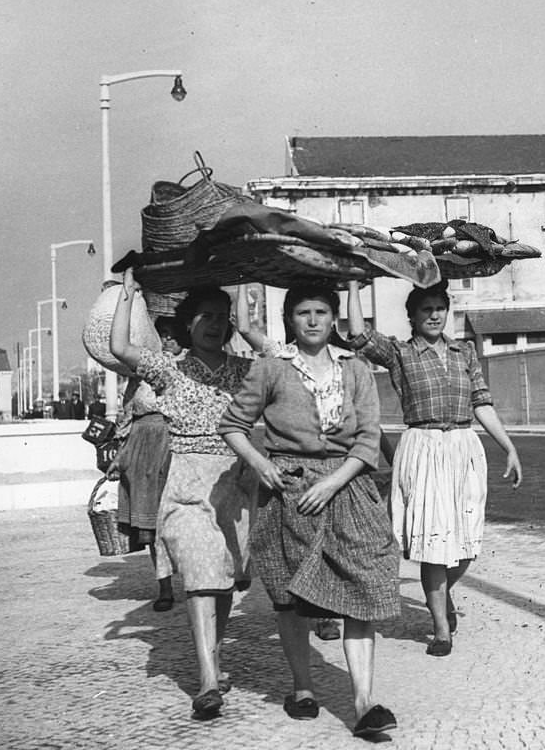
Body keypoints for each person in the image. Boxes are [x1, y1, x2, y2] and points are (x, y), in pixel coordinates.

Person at [219, 284, 399, 740]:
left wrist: (335, 481)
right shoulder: (271, 369)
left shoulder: (355, 368)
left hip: (348, 487)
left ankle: (363, 702)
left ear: (333, 317)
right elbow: (234, 425)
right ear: (290, 320)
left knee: (364, 584)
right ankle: (303, 688)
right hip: (291, 493)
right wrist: (261, 465)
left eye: (321, 311)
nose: (314, 320)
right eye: (303, 313)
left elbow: (368, 436)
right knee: (291, 598)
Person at [346, 279, 522, 658]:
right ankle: (441, 628)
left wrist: (508, 446)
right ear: (411, 316)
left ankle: (439, 597)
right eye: (425, 309)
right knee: (433, 544)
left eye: (439, 308)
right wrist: (353, 286)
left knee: (467, 544)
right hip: (422, 447)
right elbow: (358, 335)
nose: (433, 315)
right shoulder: (400, 354)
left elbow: (482, 403)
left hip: (463, 447)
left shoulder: (465, 353)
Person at [110, 271, 257, 721]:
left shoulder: (244, 370)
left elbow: (281, 365)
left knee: (227, 576)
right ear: (188, 324)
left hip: (235, 483)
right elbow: (119, 348)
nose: (214, 325)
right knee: (198, 573)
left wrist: (245, 302)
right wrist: (129, 294)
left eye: (222, 317)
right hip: (187, 483)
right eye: (205, 317)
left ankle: (215, 656)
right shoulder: (168, 368)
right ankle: (208, 679)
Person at [107, 315, 184, 612]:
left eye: (172, 335)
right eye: (162, 335)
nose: (167, 340)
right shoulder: (141, 372)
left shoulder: (186, 368)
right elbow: (127, 413)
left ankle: (195, 580)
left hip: (173, 442)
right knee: (149, 521)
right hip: (142, 445)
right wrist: (120, 454)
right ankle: (164, 586)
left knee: (178, 517)